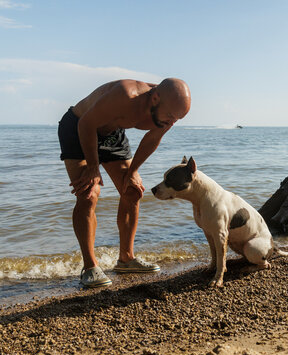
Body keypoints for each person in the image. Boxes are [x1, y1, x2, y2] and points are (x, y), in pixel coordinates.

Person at [58, 78, 191, 288]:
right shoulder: (125, 95)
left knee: (132, 190)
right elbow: (86, 123)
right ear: (155, 98)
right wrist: (93, 166)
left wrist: (133, 171)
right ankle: (90, 266)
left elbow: (151, 139)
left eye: (177, 119)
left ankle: (126, 259)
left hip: (112, 133)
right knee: (89, 194)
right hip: (79, 127)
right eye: (170, 117)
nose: (171, 123)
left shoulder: (167, 110)